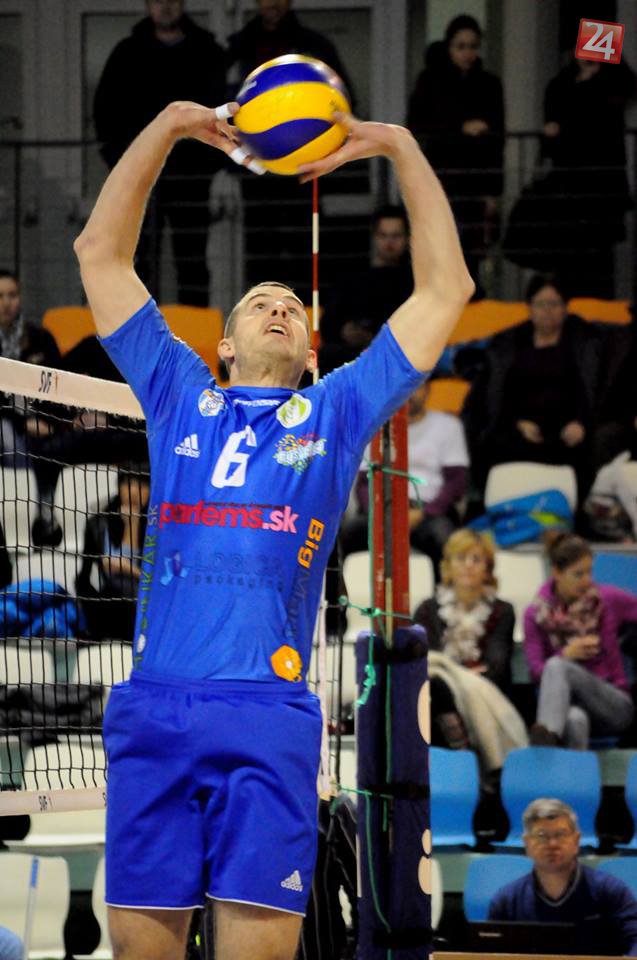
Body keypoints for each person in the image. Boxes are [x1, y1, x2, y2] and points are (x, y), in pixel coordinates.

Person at [72, 91, 474, 960]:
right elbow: (98, 251)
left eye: (292, 305)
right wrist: (169, 125)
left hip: (267, 715)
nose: (278, 308)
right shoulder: (176, 390)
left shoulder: (335, 411)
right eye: (259, 301)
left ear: (312, 353)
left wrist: (399, 146)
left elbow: (448, 289)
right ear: (222, 344)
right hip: (157, 706)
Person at [93, 0, 227, 306]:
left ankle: (194, 328)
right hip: (140, 175)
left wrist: (209, 163)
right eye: (158, 0)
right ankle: (140, 328)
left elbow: (222, 109)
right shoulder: (127, 53)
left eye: (172, 0)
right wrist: (122, 164)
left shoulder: (207, 51)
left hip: (191, 177)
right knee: (138, 258)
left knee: (192, 258)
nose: (165, 6)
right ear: (147, 5)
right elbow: (105, 113)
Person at [462, 273, 607, 506]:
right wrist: (517, 423)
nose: (547, 310)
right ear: (529, 308)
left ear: (565, 308)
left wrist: (582, 423)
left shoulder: (587, 344)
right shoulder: (508, 344)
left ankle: (573, 513)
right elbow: (496, 395)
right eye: (540, 304)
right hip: (520, 428)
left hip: (569, 430)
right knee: (495, 443)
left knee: (586, 451)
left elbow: (596, 391)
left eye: (554, 304)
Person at [413, 529, 525, 784]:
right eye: (461, 558)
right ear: (448, 565)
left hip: (485, 694)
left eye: (476, 559)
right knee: (434, 685)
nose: (468, 566)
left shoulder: (502, 611)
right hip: (437, 695)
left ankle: (465, 766)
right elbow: (427, 661)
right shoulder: (427, 609)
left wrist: (454, 673)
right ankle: (463, 756)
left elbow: (496, 666)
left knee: (439, 687)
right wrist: (461, 672)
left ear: (488, 569)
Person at [407, 14, 504, 294]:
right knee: (441, 243)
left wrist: (493, 191)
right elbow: (417, 123)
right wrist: (460, 126)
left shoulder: (488, 83)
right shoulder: (431, 80)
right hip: (440, 174)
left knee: (472, 245)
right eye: (461, 46)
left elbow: (497, 140)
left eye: (473, 46)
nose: (467, 53)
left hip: (475, 177)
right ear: (449, 47)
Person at [340, 379, 469, 578]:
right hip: (383, 510)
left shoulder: (447, 426)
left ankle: (442, 596)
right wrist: (381, 512)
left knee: (444, 537)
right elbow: (365, 483)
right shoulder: (376, 425)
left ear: (427, 390)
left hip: (429, 513)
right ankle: (346, 592)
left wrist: (424, 512)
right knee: (348, 533)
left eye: (417, 386)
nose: (410, 393)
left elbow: (456, 482)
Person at [524, 532, 637, 749]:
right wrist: (567, 653)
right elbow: (536, 673)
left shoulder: (606, 599)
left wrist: (562, 660)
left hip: (614, 703)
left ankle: (545, 743)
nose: (587, 581)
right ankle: (563, 763)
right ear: (556, 573)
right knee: (575, 719)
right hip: (569, 707)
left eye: (589, 572)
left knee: (557, 665)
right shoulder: (535, 615)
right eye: (578, 574)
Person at [488, 798, 637, 956]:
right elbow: (489, 953)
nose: (552, 844)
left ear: (576, 841)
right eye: (541, 835)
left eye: (560, 834)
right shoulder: (507, 900)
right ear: (527, 843)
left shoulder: (611, 891)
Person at [540, 54, 636, 298]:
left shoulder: (611, 81)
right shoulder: (561, 83)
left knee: (600, 259)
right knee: (568, 258)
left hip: (603, 184)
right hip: (568, 184)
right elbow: (551, 131)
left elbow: (626, 86)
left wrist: (602, 65)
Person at [318, 206, 413, 375]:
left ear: (407, 238)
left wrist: (374, 337)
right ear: (375, 237)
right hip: (349, 352)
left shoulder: (414, 281)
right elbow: (329, 322)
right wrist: (344, 332)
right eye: (383, 235)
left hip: (394, 352)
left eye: (396, 236)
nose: (389, 243)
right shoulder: (352, 278)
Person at [76, 471, 150, 645]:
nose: (133, 491)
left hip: (146, 603)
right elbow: (87, 577)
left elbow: (155, 579)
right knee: (119, 585)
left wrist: (133, 523)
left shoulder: (159, 526)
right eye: (128, 484)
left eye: (141, 485)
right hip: (107, 604)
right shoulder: (98, 524)